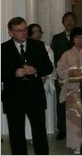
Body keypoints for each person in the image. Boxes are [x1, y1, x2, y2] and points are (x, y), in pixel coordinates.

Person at [1, 17, 53, 154]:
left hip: (35, 96)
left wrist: (35, 70)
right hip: (13, 97)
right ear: (11, 33)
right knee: (16, 134)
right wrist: (13, 73)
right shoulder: (3, 49)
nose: (23, 33)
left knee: (39, 133)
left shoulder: (38, 45)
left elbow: (48, 67)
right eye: (19, 31)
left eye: (25, 29)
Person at [56, 27, 82, 154]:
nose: (79, 40)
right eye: (76, 37)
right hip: (72, 89)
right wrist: (71, 71)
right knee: (73, 117)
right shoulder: (66, 54)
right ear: (72, 39)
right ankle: (76, 144)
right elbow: (59, 71)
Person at [25, 24, 56, 140]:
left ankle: (46, 132)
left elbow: (50, 65)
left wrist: (44, 77)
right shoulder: (25, 47)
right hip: (30, 83)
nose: (38, 34)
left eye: (39, 31)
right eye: (34, 32)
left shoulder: (47, 48)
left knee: (42, 112)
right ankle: (28, 136)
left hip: (45, 81)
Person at [51, 11, 78, 140]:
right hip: (63, 75)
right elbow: (53, 55)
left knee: (76, 103)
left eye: (72, 19)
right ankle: (62, 129)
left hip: (77, 75)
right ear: (63, 22)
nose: (69, 22)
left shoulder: (80, 37)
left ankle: (77, 129)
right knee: (62, 102)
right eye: (67, 19)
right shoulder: (57, 38)